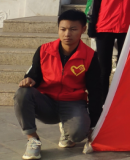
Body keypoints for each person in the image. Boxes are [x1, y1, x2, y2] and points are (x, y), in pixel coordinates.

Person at [14, 9, 103, 160]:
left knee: (78, 135)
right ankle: (32, 139)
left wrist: (93, 125)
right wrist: (29, 79)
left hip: (73, 102)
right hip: (47, 103)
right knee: (22, 92)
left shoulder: (90, 56)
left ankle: (67, 131)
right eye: (63, 29)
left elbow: (95, 92)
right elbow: (34, 75)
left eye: (73, 29)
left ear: (83, 29)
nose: (67, 34)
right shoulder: (44, 50)